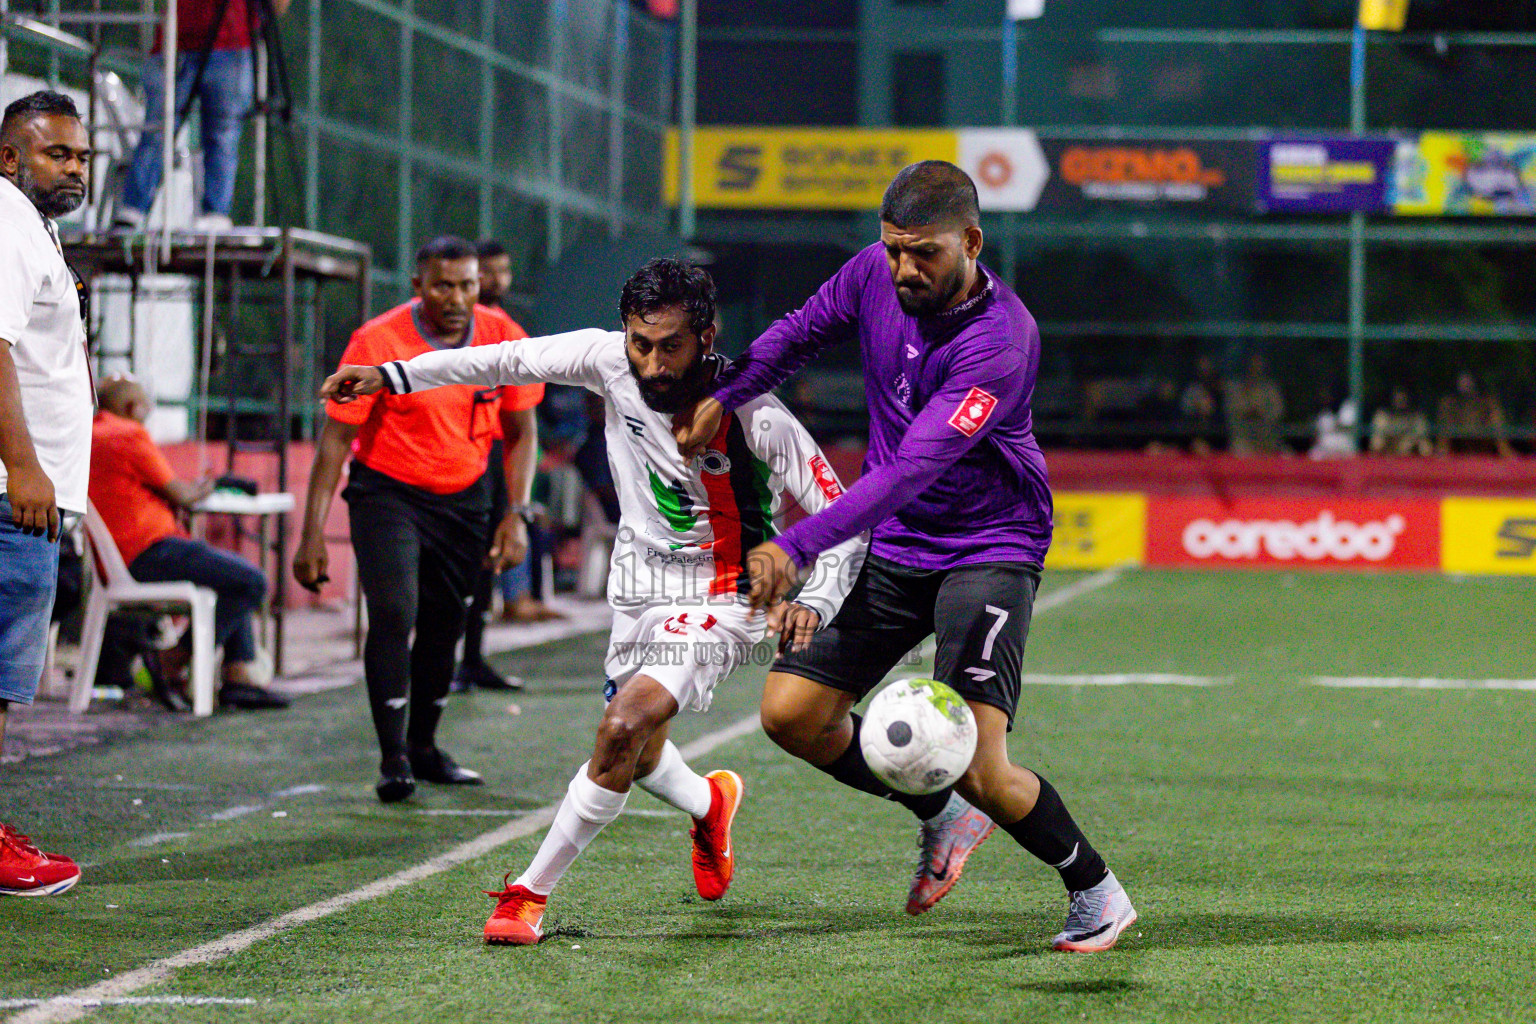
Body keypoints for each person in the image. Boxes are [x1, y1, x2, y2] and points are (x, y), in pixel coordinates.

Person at [320, 258, 865, 946]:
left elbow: (844, 518)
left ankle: (526, 896)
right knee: (635, 755)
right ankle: (710, 801)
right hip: (637, 588)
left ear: (707, 335)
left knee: (620, 727)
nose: (654, 363)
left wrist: (815, 598)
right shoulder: (608, 360)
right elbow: (505, 360)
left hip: (724, 592)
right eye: (642, 342)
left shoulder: (759, 417)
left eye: (671, 345)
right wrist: (392, 376)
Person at [673, 161, 1138, 952]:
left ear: (971, 242)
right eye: (893, 250)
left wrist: (796, 545)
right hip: (898, 545)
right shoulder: (872, 275)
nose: (903, 269)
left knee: (981, 767)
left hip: (987, 549)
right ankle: (940, 815)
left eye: (923, 253)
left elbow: (911, 469)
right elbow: (801, 331)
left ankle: (1096, 891)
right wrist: (731, 389)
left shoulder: (1001, 342)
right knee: (792, 715)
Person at [293, 236, 540, 803]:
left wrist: (516, 514)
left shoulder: (505, 337)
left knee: (446, 624)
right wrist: (311, 537)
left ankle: (426, 748)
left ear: (481, 284)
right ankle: (393, 757)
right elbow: (335, 443)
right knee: (394, 609)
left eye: (467, 285)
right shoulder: (376, 340)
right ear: (417, 287)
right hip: (389, 495)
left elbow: (523, 434)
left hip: (466, 499)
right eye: (442, 285)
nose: (456, 297)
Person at [0, 91, 93, 896]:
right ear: (9, 158)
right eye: (57, 153)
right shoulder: (4, 219)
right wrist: (24, 466)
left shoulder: (36, 228)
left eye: (82, 156)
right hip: (13, 492)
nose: (74, 167)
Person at [89, 376, 288, 710]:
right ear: (131, 408)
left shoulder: (94, 434)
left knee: (229, 579)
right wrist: (212, 484)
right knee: (252, 581)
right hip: (150, 550)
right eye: (145, 413)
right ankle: (172, 661)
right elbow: (183, 494)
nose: (145, 422)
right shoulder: (127, 434)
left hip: (123, 556)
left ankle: (238, 676)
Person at [450, 240, 550, 695]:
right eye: (486, 272)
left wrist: (519, 503)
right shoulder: (442, 329)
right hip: (452, 454)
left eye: (503, 271)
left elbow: (522, 423)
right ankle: (442, 659)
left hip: (491, 455)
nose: (497, 281)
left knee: (483, 559)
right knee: (450, 564)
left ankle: (470, 659)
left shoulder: (508, 331)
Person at [115, 0, 292, 231]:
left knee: (222, 135)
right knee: (158, 132)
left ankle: (214, 214)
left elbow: (277, 6)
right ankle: (133, 210)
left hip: (230, 45)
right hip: (176, 40)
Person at [1436, 371, 1514, 458]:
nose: (1465, 383)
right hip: (1457, 448)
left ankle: (1505, 452)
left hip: (1484, 447)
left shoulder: (1488, 403)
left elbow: (1495, 422)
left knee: (1495, 417)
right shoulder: (1449, 403)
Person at [1225, 352, 1286, 456]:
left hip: (1266, 438)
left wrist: (1261, 413)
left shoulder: (1271, 388)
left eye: (1258, 365)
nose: (1255, 369)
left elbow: (1278, 411)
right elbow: (1231, 412)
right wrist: (1247, 411)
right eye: (1252, 366)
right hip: (1243, 438)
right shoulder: (1235, 388)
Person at [1370, 386, 1432, 456]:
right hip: (1388, 452)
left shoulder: (1417, 417)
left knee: (1424, 445)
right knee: (1377, 441)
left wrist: (1409, 440)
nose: (1400, 400)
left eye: (1403, 398)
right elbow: (1376, 444)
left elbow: (1422, 439)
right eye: (1397, 397)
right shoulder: (1382, 415)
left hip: (1408, 454)